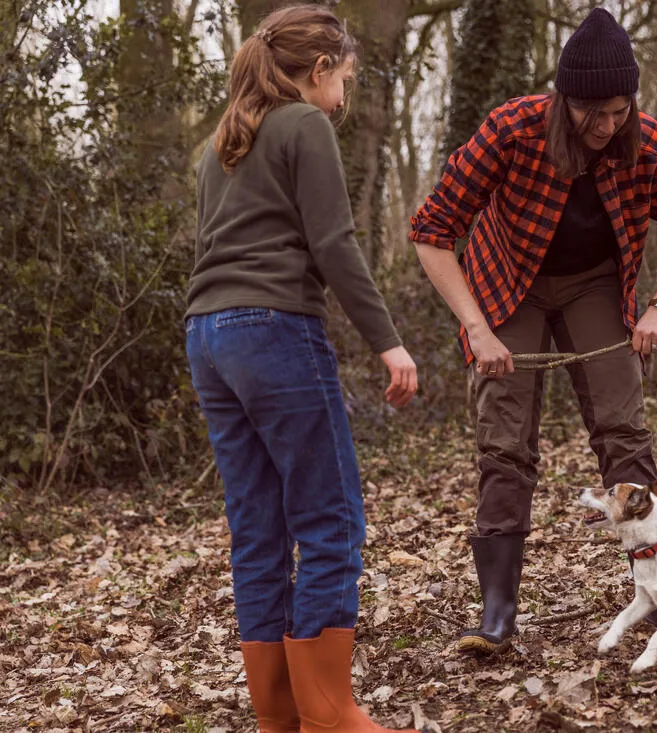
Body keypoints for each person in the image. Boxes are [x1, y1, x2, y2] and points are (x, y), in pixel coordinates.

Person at [409, 7, 657, 655]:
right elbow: (432, 232)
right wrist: (477, 329)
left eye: (619, 111)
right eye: (592, 112)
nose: (606, 126)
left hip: (596, 284)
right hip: (507, 283)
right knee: (506, 438)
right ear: (564, 98)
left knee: (622, 426)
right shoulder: (509, 131)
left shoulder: (647, 141)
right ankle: (497, 615)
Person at [185, 6, 423, 731]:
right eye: (344, 79)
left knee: (257, 525)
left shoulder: (217, 145)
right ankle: (329, 711)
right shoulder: (303, 124)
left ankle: (279, 715)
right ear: (318, 71)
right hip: (274, 327)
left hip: (207, 336)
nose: (343, 98)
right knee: (330, 517)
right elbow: (334, 245)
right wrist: (390, 342)